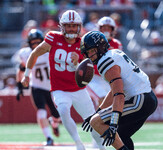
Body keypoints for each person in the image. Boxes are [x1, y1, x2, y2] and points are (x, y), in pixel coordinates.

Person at [21, 10, 105, 150]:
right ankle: (78, 143)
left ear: (79, 26)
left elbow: (89, 70)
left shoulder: (84, 43)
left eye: (74, 25)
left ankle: (101, 147)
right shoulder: (53, 38)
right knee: (64, 111)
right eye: (68, 26)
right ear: (62, 27)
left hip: (78, 89)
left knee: (92, 121)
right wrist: (27, 74)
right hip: (59, 89)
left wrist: (77, 64)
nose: (71, 29)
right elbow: (35, 53)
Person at [81, 31, 158, 150]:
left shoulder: (105, 62)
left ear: (100, 47)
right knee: (121, 135)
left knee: (95, 122)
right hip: (148, 98)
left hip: (139, 100)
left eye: (92, 50)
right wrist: (99, 111)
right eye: (88, 52)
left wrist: (113, 123)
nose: (90, 55)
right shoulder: (114, 53)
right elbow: (114, 91)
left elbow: (119, 95)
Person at [16, 29, 60, 146]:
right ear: (29, 43)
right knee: (41, 112)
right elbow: (21, 70)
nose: (35, 44)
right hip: (37, 87)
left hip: (52, 88)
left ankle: (54, 124)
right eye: (33, 42)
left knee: (57, 115)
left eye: (37, 42)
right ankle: (49, 138)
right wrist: (19, 86)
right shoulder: (26, 54)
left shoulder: (49, 52)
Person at [87, 16, 123, 108]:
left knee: (111, 101)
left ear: (113, 30)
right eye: (104, 28)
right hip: (93, 77)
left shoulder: (116, 44)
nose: (106, 30)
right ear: (99, 29)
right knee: (102, 98)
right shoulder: (91, 42)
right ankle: (100, 120)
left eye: (108, 28)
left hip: (107, 78)